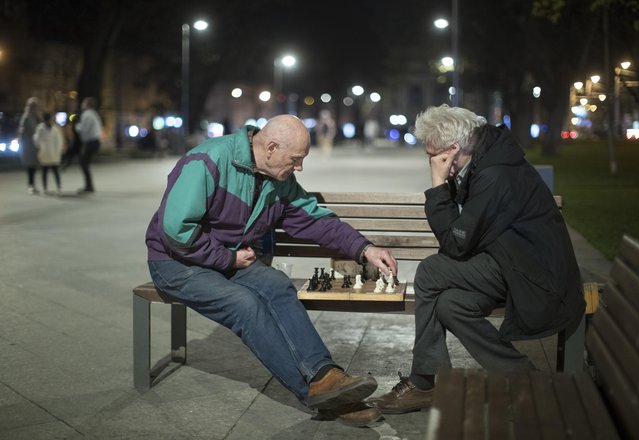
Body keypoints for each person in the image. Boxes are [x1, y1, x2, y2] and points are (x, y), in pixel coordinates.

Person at [145, 114, 398, 427]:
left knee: (277, 284)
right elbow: (175, 231)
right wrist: (227, 259)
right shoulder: (208, 160)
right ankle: (315, 394)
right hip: (175, 262)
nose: (300, 167)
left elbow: (314, 220)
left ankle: (326, 376)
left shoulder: (279, 180)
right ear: (271, 148)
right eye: (296, 159)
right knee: (243, 304)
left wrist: (364, 248)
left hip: (229, 260)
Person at [368, 104, 585, 414]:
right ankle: (522, 378)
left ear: (453, 149)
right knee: (450, 304)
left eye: (432, 155)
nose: (430, 161)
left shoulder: (496, 174)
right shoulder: (488, 159)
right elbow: (464, 237)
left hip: (536, 276)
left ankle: (426, 381)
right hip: (515, 262)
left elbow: (456, 244)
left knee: (430, 271)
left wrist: (438, 185)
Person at [75, 97, 103, 193]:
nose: (82, 105)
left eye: (84, 103)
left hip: (90, 142)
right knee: (85, 162)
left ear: (88, 105)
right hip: (95, 141)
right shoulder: (94, 114)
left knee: (83, 162)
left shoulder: (87, 115)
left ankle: (89, 186)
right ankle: (89, 185)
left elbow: (84, 129)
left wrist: (77, 126)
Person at [33, 112, 64, 194]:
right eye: (51, 119)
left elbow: (59, 140)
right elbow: (37, 140)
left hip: (54, 153)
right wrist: (41, 148)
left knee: (56, 171)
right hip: (45, 153)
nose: (52, 121)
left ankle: (59, 187)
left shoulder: (55, 128)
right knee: (44, 172)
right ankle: (44, 188)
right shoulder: (40, 128)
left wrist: (59, 149)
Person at [18, 97, 42, 194]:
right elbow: (26, 131)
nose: (36, 108)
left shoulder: (36, 116)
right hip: (29, 144)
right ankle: (31, 185)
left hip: (34, 144)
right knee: (30, 165)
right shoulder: (27, 117)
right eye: (34, 106)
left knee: (33, 165)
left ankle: (32, 184)